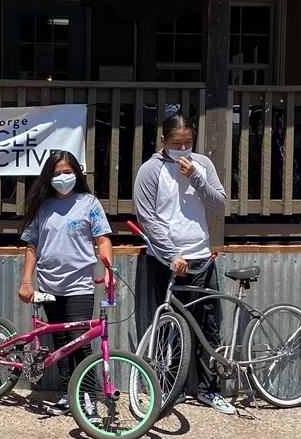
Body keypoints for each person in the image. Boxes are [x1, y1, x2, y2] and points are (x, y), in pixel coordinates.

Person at [132, 113, 232, 414]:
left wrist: (196, 178)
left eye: (188, 143)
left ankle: (208, 389)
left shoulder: (203, 165)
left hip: (200, 254)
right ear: (163, 141)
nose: (183, 148)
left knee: (207, 326)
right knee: (168, 325)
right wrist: (171, 251)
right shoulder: (150, 170)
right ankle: (170, 389)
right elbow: (147, 218)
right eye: (177, 143)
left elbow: (219, 204)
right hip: (166, 259)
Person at [19, 150, 112, 416]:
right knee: (60, 342)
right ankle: (67, 395)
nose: (62, 178)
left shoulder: (89, 203)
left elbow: (103, 240)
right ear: (48, 177)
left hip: (80, 285)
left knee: (79, 340)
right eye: (57, 173)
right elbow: (32, 246)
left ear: (77, 174)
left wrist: (108, 272)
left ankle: (89, 398)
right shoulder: (43, 207)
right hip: (49, 285)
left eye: (67, 172)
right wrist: (27, 281)